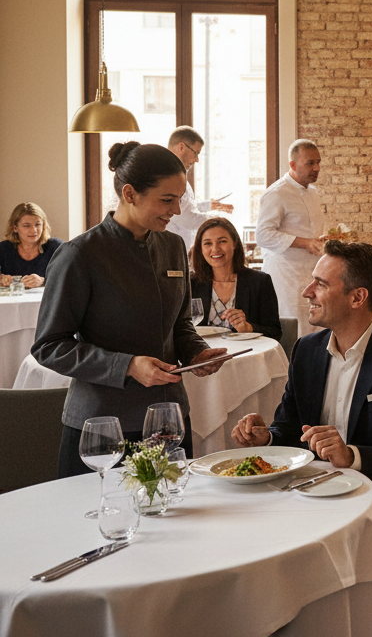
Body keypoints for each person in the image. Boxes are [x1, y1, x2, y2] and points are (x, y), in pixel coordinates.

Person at [230, 241, 372, 575]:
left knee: (294, 566)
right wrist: (265, 438)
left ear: (357, 298)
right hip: (308, 498)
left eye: (321, 284)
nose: (306, 292)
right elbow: (288, 428)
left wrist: (352, 456)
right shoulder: (307, 350)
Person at [34, 142, 229, 477]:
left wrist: (197, 352)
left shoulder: (172, 246)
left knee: (176, 522)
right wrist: (127, 366)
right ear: (129, 193)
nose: (177, 210)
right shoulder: (80, 255)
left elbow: (179, 324)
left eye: (180, 198)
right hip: (104, 428)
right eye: (167, 200)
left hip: (169, 421)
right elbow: (49, 346)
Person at [257, 139, 327, 336]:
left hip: (311, 271)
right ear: (293, 165)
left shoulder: (313, 192)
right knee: (294, 328)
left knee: (315, 326)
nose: (317, 168)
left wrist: (321, 239)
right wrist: (306, 243)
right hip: (286, 275)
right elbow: (263, 235)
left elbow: (307, 230)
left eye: (318, 162)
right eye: (310, 163)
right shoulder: (276, 193)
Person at [190, 218, 282, 342]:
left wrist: (248, 328)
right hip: (203, 355)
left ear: (235, 243)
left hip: (246, 355)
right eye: (208, 243)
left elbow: (275, 333)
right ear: (200, 249)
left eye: (222, 241)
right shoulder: (191, 283)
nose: (215, 249)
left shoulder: (259, 282)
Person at [164, 127, 234, 251]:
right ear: (181, 147)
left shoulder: (178, 174)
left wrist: (210, 206)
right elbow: (186, 218)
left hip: (179, 248)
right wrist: (218, 219)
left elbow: (185, 206)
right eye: (195, 153)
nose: (196, 160)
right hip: (169, 248)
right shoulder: (168, 176)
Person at [0, 202, 62, 287]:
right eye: (26, 226)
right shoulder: (3, 248)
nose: (34, 230)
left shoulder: (56, 247)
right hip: (12, 299)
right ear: (15, 228)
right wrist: (2, 279)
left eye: (37, 224)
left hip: (46, 300)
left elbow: (70, 277)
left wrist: (43, 280)